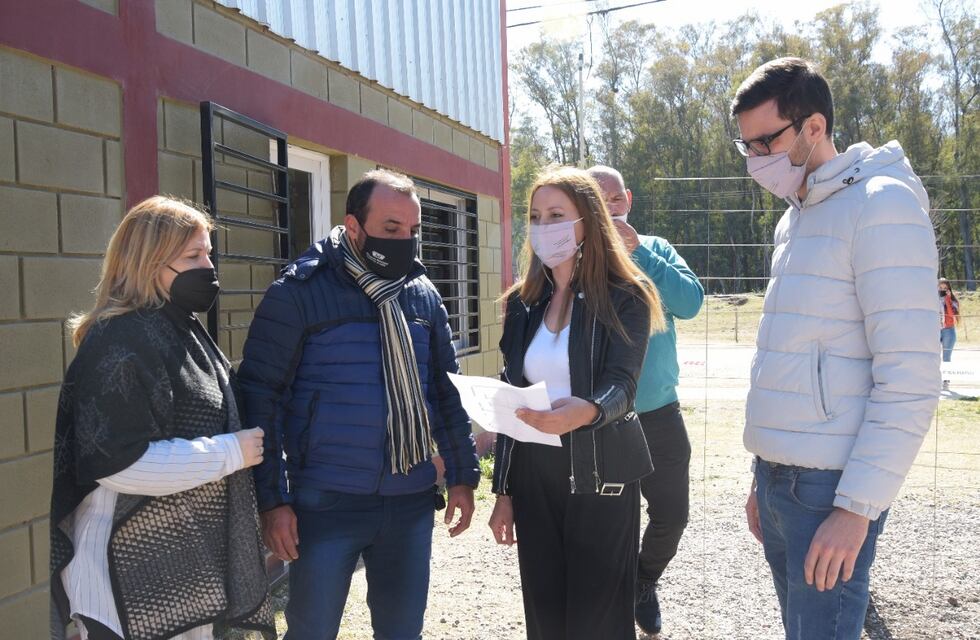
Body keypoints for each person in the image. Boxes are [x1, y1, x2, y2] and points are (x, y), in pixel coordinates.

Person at [732, 58, 940, 639]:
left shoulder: (882, 205)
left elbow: (911, 377)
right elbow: (791, 354)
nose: (755, 160)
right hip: (782, 480)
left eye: (765, 142)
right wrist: (763, 478)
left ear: (814, 128)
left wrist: (855, 510)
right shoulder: (796, 218)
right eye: (745, 145)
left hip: (831, 489)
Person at [238, 169, 480, 640]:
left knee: (402, 632)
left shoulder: (422, 296)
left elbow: (447, 392)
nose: (405, 242)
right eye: (391, 229)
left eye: (412, 231)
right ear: (353, 226)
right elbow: (259, 397)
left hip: (409, 501)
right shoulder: (298, 293)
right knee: (311, 632)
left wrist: (464, 475)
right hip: (325, 502)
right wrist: (273, 501)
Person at [49, 197, 274, 640]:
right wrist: (232, 451)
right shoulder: (120, 338)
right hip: (120, 570)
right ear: (149, 262)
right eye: (193, 256)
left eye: (208, 252)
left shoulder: (181, 327)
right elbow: (116, 462)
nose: (208, 266)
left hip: (180, 565)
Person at [487, 166, 665, 640]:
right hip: (533, 479)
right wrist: (503, 491)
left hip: (601, 477)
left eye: (557, 214)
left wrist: (585, 410)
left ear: (587, 220)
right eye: (536, 216)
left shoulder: (628, 295)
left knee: (598, 623)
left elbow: (622, 384)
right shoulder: (521, 303)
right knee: (545, 618)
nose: (544, 227)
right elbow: (512, 395)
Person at [587, 164, 704, 635]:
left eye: (614, 199)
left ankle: (640, 584)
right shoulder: (576, 256)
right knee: (608, 520)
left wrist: (639, 253)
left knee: (672, 515)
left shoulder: (655, 248)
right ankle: (607, 602)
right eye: (596, 201)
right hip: (599, 418)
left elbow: (691, 303)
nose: (608, 209)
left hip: (657, 411)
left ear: (628, 201)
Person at [939, 277, 960, 364]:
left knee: (946, 358)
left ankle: (946, 378)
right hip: (934, 330)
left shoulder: (953, 301)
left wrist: (948, 299)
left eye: (945, 288)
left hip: (948, 330)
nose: (942, 290)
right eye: (940, 288)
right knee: (932, 357)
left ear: (948, 289)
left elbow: (952, 315)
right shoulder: (931, 300)